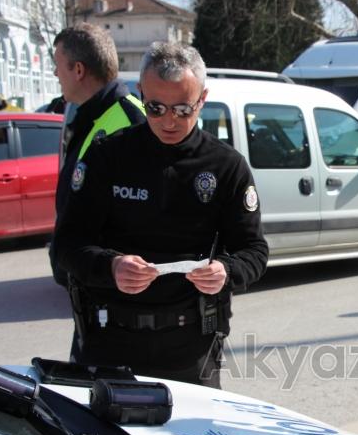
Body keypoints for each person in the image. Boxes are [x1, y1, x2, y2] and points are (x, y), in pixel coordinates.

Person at [53, 41, 268, 386]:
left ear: (202, 100)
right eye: (155, 108)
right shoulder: (107, 156)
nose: (169, 121)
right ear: (141, 94)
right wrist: (111, 266)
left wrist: (225, 271)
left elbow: (254, 251)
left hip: (189, 345)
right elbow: (67, 244)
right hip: (108, 341)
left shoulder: (226, 166)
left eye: (183, 109)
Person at [49, 23, 146, 287]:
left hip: (115, 286)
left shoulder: (132, 118)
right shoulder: (89, 118)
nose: (56, 73)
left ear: (78, 70)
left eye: (58, 65)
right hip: (91, 278)